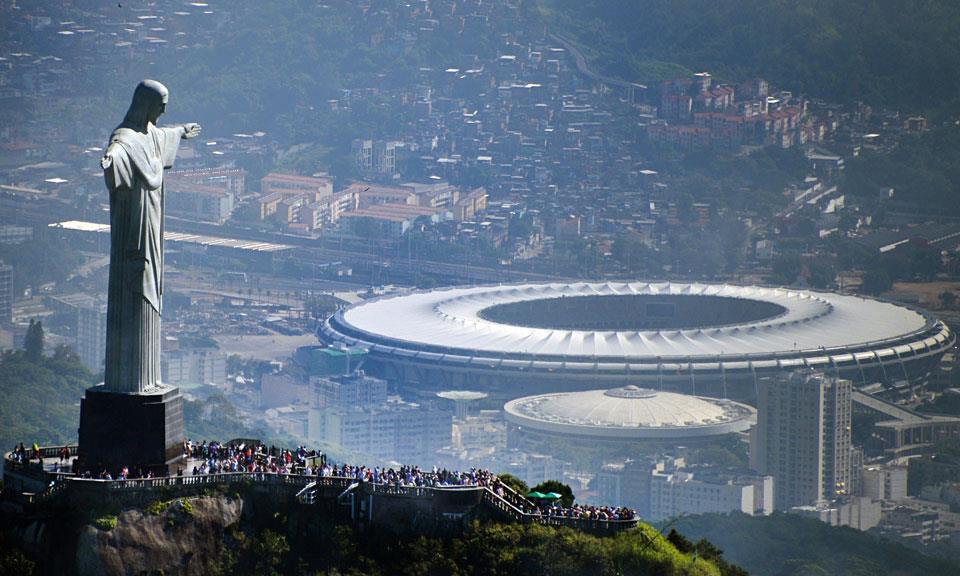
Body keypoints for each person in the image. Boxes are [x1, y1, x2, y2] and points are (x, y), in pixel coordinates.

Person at [101, 80, 201, 394]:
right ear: (146, 104)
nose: (163, 112)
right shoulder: (125, 138)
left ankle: (148, 378)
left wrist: (182, 130)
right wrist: (110, 162)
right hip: (134, 230)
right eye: (160, 106)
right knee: (136, 286)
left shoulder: (151, 135)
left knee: (152, 290)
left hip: (153, 227)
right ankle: (130, 381)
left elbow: (162, 135)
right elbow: (116, 152)